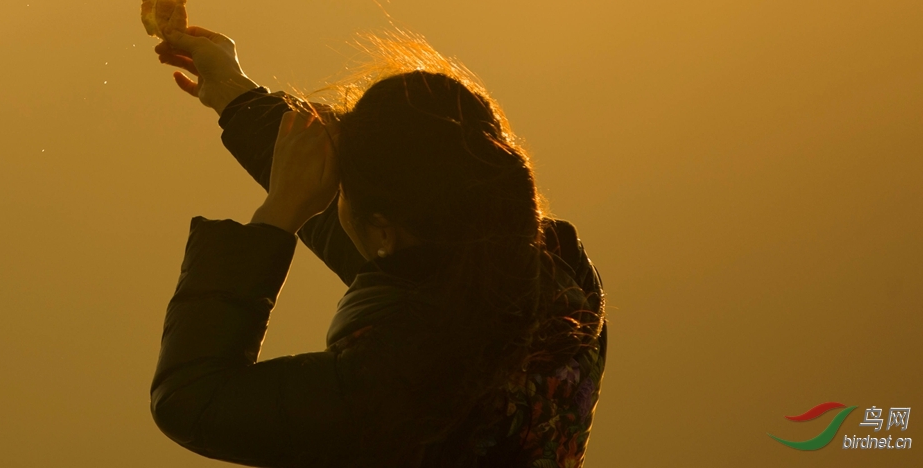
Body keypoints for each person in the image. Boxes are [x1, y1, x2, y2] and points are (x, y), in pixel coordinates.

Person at [149, 25, 606, 467]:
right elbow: (406, 243)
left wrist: (280, 212)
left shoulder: (396, 388)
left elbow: (193, 399)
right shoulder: (565, 294)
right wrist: (236, 96)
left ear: (384, 232)